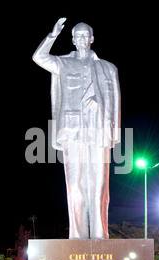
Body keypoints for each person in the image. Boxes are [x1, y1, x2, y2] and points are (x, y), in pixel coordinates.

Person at [32, 17, 121, 239]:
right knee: (75, 184)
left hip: (98, 129)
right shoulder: (63, 63)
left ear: (92, 38)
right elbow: (39, 57)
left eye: (86, 35)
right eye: (78, 35)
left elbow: (115, 101)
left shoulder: (108, 68)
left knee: (99, 183)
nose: (82, 38)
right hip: (73, 130)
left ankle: (100, 232)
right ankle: (78, 235)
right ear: (72, 39)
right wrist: (53, 35)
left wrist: (109, 122)